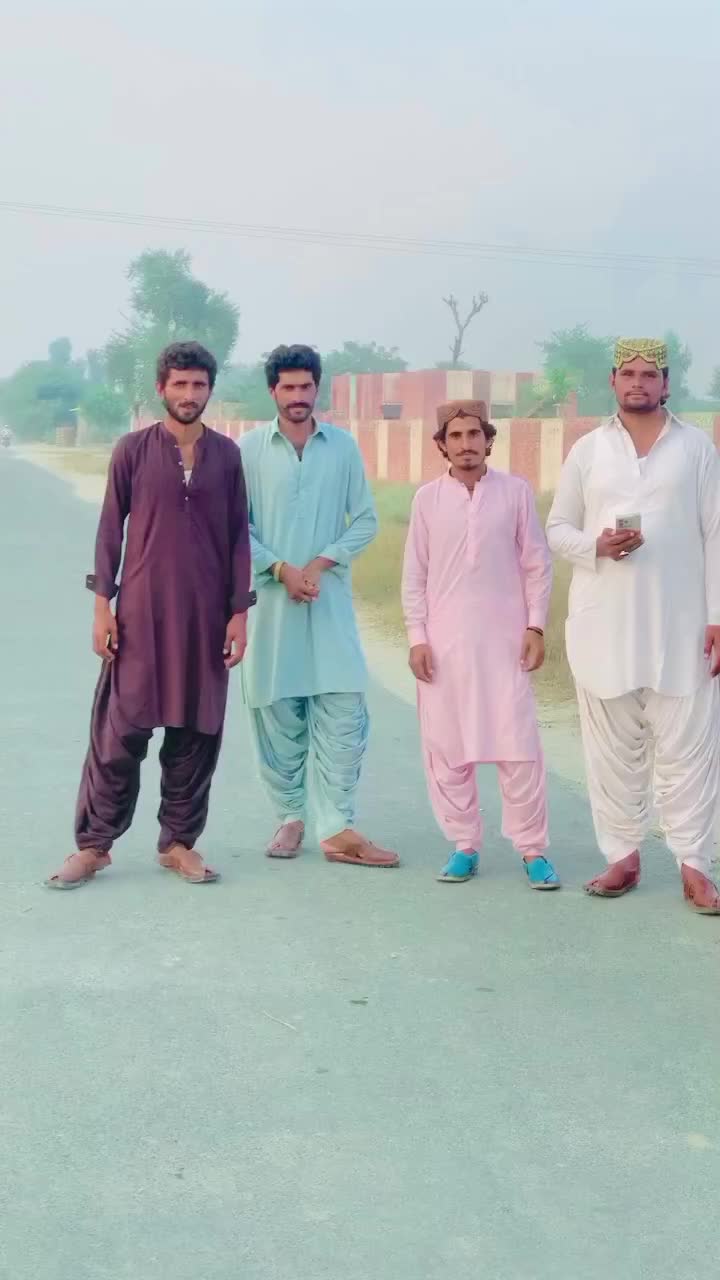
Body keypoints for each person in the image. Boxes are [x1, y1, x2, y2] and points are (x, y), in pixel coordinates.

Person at [46, 341, 255, 889]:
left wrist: (239, 613)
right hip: (140, 612)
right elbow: (109, 530)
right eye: (179, 384)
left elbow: (239, 537)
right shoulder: (133, 450)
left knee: (196, 731)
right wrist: (102, 606)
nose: (189, 394)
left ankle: (179, 843)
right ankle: (93, 846)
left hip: (205, 618)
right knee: (120, 732)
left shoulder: (227, 456)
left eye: (199, 384)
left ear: (210, 390)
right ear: (161, 388)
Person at [546, 338, 720, 913]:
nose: (639, 383)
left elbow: (716, 533)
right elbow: (557, 528)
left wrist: (717, 616)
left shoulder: (695, 447)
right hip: (605, 622)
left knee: (690, 748)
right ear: (613, 381)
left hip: (681, 622)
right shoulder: (588, 450)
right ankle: (622, 856)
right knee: (611, 751)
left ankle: (695, 865)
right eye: (629, 374)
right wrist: (596, 545)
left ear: (667, 383)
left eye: (650, 374)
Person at [239, 343, 398, 867]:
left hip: (328, 602)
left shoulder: (342, 447)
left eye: (305, 386)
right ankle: (289, 817)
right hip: (272, 605)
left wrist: (321, 563)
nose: (298, 396)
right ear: (272, 391)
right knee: (276, 715)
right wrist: (281, 570)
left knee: (344, 711)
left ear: (317, 388)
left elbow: (365, 519)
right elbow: (235, 527)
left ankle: (337, 826)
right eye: (288, 387)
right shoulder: (249, 450)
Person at [401, 400, 560, 888]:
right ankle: (464, 845)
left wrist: (535, 627)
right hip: (445, 646)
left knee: (518, 747)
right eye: (455, 436)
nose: (466, 444)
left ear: (488, 440)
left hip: (505, 643)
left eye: (474, 434)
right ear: (442, 445)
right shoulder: (427, 500)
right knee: (448, 747)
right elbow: (414, 575)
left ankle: (532, 849)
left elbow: (537, 564)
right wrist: (417, 638)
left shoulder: (515, 492)